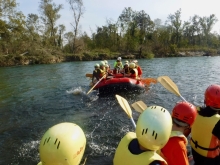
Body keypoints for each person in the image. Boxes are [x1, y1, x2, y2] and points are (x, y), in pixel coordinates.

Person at [190, 84, 220, 165]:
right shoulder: (218, 121)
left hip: (196, 155)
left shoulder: (194, 111)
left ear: (206, 100)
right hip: (211, 160)